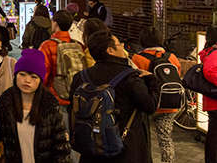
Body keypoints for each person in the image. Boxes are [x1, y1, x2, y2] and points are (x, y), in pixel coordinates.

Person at [69, 31, 158, 163]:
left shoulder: (80, 77)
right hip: (125, 150)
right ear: (110, 50)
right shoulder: (130, 77)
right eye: (119, 44)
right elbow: (150, 106)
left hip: (91, 148)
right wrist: (152, 81)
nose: (122, 46)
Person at [0, 48, 72, 163]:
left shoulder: (50, 105)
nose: (27, 80)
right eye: (22, 74)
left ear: (40, 80)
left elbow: (61, 147)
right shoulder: (6, 103)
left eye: (33, 77)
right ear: (15, 76)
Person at [130, 27, 181, 163]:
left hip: (148, 104)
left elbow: (135, 81)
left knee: (145, 138)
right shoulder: (172, 57)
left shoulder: (137, 58)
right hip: (170, 103)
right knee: (165, 138)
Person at [39, 10, 82, 107]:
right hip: (76, 97)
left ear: (55, 23)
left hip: (55, 97)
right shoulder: (78, 45)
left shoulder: (47, 46)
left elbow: (42, 75)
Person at [199, 25, 217, 163]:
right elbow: (209, 71)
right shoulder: (215, 52)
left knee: (213, 135)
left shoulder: (209, 51)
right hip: (215, 101)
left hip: (212, 101)